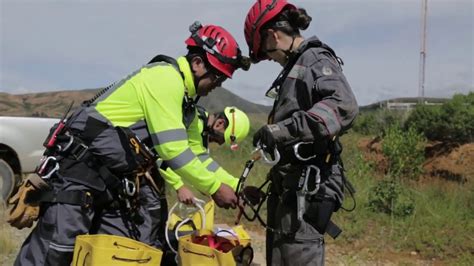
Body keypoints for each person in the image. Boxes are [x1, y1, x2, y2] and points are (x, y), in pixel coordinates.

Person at [13, 21, 250, 266]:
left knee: (118, 253)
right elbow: (173, 150)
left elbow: (197, 155)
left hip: (112, 182)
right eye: (217, 76)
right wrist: (214, 188)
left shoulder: (187, 105)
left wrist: (235, 185)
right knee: (57, 250)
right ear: (198, 63)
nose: (218, 84)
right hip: (78, 171)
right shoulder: (165, 78)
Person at [244, 1, 359, 265]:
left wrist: (282, 129)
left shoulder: (315, 59)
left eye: (266, 51)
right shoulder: (296, 67)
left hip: (307, 192)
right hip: (289, 188)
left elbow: (344, 106)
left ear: (273, 35)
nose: (270, 57)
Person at [162, 106, 250, 205]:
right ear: (219, 123)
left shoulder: (201, 127)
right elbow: (164, 152)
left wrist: (237, 186)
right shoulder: (195, 123)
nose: (220, 143)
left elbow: (205, 163)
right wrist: (179, 186)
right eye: (222, 138)